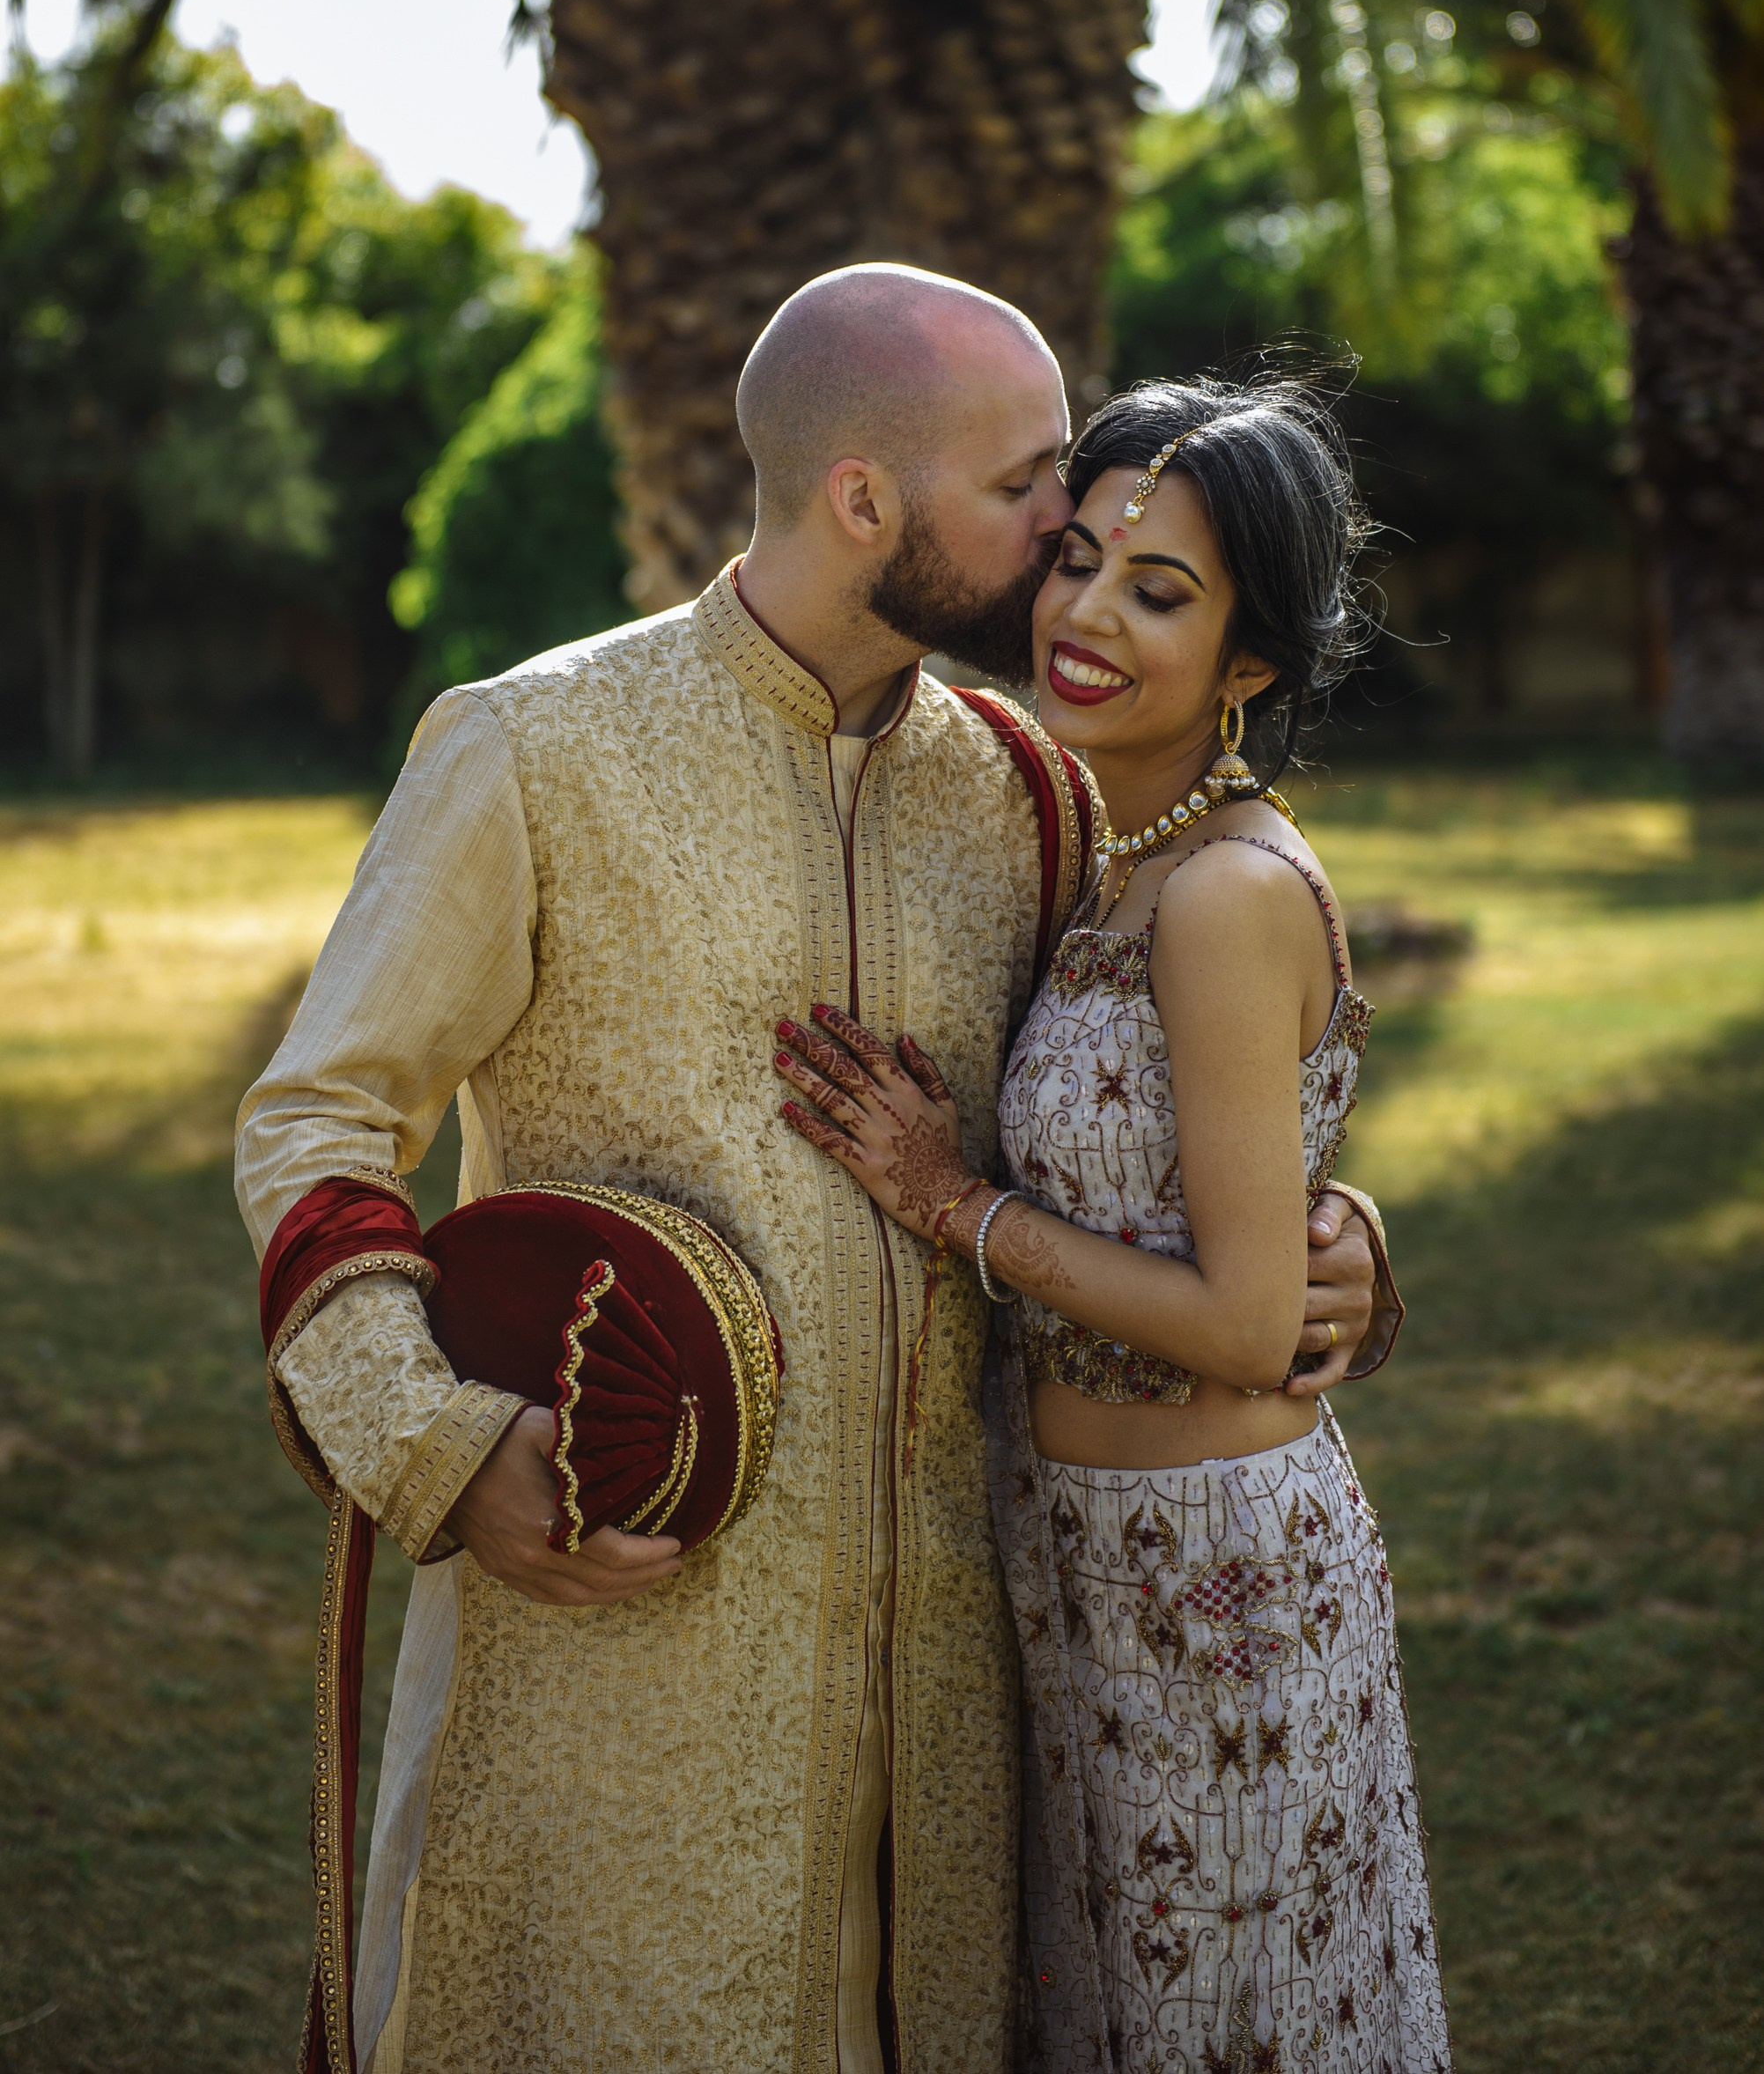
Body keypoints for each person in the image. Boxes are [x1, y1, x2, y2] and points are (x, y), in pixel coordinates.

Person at [237, 272, 1390, 2074]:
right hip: (617, 1652)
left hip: (961, 1708)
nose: (1064, 536)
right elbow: (315, 1122)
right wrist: (443, 1452)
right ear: (867, 501)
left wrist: (1335, 1243)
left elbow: (1165, 1105)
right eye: (1029, 493)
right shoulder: (532, 749)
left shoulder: (1025, 783)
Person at [776, 373, 1447, 2071]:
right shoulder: (1106, 854)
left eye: (1159, 593)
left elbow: (1239, 1321)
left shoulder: (1219, 895)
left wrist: (953, 1203)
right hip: (1078, 1563)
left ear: (1253, 666)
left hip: (1217, 1583)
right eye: (1075, 557)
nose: (1082, 614)